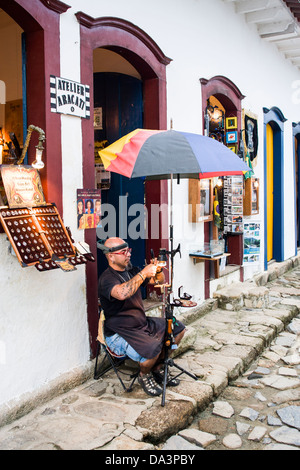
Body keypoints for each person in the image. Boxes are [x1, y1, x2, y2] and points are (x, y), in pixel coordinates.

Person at [98, 237, 186, 397]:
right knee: (154, 347)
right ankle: (144, 374)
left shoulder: (130, 271)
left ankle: (157, 367)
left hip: (141, 323)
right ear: (111, 256)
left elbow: (160, 281)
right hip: (120, 331)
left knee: (177, 329)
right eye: (123, 252)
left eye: (128, 251)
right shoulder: (107, 278)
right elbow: (122, 293)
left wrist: (157, 271)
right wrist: (143, 273)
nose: (128, 255)